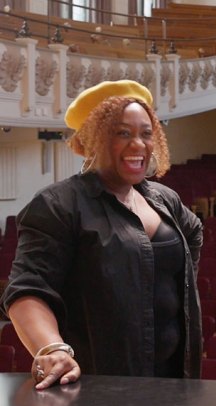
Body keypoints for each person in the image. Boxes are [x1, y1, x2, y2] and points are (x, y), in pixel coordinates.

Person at [0, 80, 203, 389]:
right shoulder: (59, 204)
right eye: (122, 133)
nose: (138, 144)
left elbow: (194, 232)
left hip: (175, 381)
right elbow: (27, 290)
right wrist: (52, 349)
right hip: (99, 382)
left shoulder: (164, 199)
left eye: (146, 133)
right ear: (92, 140)